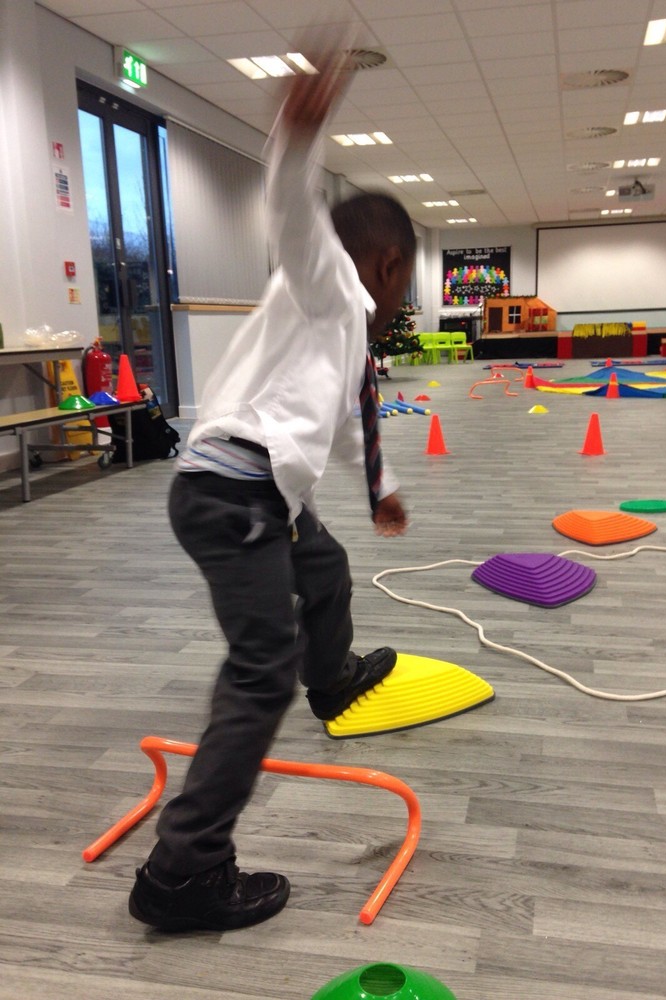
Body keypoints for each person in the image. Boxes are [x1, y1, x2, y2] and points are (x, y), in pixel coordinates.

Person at [128, 39, 415, 933]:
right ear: (385, 266)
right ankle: (183, 871)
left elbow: (346, 423)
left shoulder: (344, 331)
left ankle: (332, 679)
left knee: (324, 569)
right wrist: (297, 136)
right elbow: (293, 211)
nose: (405, 298)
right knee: (259, 675)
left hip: (255, 494)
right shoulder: (328, 284)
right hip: (235, 496)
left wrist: (381, 488)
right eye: (406, 279)